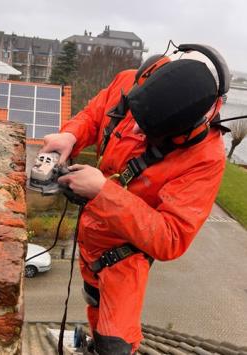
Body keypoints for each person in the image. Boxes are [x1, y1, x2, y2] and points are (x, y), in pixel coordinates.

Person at [41, 54, 227, 354]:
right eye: (136, 122)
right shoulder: (131, 80)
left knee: (114, 344)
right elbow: (95, 114)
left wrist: (102, 193)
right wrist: (71, 135)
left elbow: (171, 237)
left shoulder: (206, 157)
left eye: (148, 132)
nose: (137, 132)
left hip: (124, 258)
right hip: (92, 240)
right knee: (93, 302)